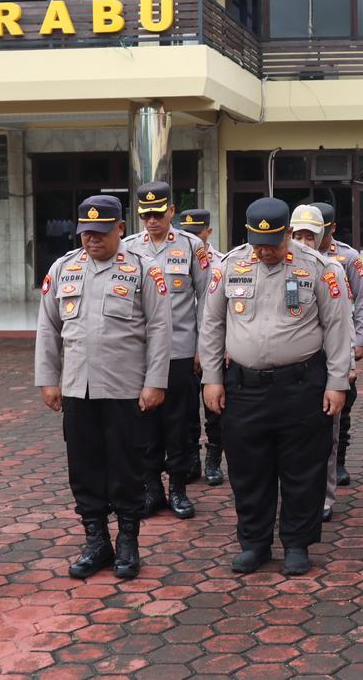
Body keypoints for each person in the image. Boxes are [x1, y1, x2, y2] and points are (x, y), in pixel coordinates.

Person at [199, 198, 352, 576]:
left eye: (272, 243)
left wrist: (337, 383)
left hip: (301, 385)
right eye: (258, 244)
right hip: (243, 386)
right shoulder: (230, 265)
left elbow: (338, 327)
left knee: (303, 469)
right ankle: (255, 543)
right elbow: (212, 324)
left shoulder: (319, 268)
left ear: (288, 233)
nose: (265, 251)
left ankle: (297, 544)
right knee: (249, 469)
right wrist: (212, 378)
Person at [35, 195, 172, 580]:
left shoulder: (143, 269)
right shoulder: (63, 268)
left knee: (127, 467)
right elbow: (48, 327)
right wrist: (48, 379)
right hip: (77, 388)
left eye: (100, 232)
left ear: (120, 229)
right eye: (86, 233)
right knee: (84, 468)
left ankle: (128, 540)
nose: (92, 239)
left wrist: (155, 382)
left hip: (125, 389)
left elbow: (160, 329)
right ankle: (96, 541)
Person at [125, 183, 210, 520]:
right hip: (141, 354)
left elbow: (207, 299)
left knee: (179, 424)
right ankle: (152, 488)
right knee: (143, 423)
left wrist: (203, 348)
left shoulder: (192, 246)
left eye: (158, 214)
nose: (152, 220)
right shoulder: (129, 247)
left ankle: (178, 488)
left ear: (171, 211)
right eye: (146, 214)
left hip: (180, 350)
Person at [289, 204, 353, 524]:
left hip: (325, 365)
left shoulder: (332, 270)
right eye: (298, 236)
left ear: (323, 235)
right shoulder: (286, 271)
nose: (304, 243)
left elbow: (343, 323)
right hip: (294, 369)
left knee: (326, 436)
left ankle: (324, 497)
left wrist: (345, 368)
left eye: (310, 236)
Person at [313, 201, 363, 490]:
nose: (313, 236)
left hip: (341, 340)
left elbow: (362, 301)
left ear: (332, 228)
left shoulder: (347, 257)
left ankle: (339, 461)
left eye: (320, 231)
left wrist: (361, 340)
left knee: (343, 404)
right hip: (310, 343)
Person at [178, 208, 225, 487]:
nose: (193, 238)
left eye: (198, 232)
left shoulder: (222, 262)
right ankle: (192, 459)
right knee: (185, 410)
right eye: (188, 233)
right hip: (183, 345)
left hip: (213, 346)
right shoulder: (175, 256)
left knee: (215, 408)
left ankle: (214, 460)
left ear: (209, 231)